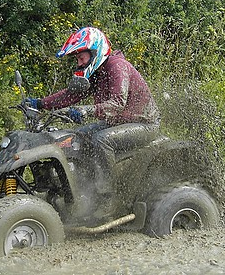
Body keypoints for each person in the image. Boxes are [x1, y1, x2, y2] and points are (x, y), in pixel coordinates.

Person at [27, 27, 160, 219]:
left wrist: (84, 110)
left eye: (82, 58)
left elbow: (117, 104)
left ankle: (108, 198)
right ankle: (81, 188)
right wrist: (40, 103)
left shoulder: (116, 66)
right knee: (76, 136)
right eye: (78, 59)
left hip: (144, 123)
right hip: (118, 122)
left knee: (101, 140)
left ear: (95, 52)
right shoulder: (97, 72)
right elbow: (70, 96)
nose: (79, 63)